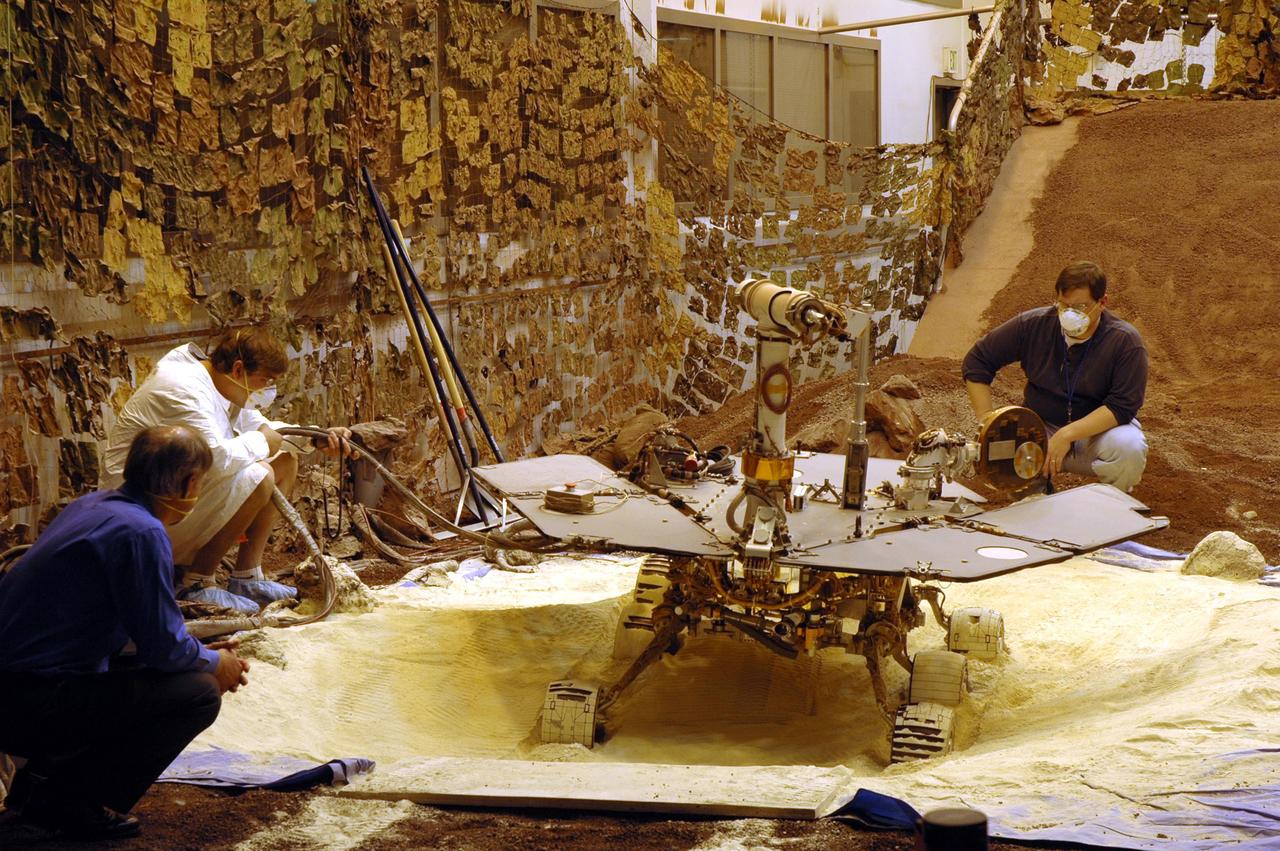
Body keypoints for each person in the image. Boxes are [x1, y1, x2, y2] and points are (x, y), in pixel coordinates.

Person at [0, 425, 250, 841]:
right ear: (190, 482)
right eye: (200, 482)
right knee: (198, 694)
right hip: (28, 699)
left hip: (17, 683)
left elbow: (147, 630)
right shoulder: (143, 532)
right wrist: (214, 662)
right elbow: (165, 648)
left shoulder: (91, 506)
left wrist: (199, 651)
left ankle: (42, 791)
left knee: (183, 672)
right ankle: (64, 806)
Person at [103, 327, 352, 613]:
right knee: (259, 476)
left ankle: (247, 577)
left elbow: (259, 427)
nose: (267, 390)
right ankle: (195, 583)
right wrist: (265, 440)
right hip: (142, 511)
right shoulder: (182, 388)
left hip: (173, 489)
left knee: (284, 461)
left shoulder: (220, 383)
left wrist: (315, 437)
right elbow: (215, 457)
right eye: (265, 381)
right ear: (238, 369)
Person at [962, 261, 1149, 492]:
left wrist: (1067, 434)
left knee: (1128, 448)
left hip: (1095, 436)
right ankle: (1032, 496)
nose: (1070, 314)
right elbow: (978, 360)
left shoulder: (1125, 342)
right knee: (998, 444)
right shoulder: (1033, 326)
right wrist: (986, 420)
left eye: (1080, 307)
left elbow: (1122, 406)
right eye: (1064, 305)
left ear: (1102, 303)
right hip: (1039, 432)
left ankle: (1110, 503)